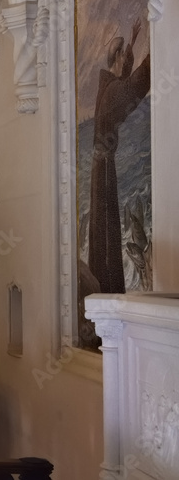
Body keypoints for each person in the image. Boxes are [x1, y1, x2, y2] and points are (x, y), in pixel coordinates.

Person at [88, 20, 151, 294]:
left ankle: (105, 285)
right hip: (103, 171)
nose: (127, 57)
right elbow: (131, 87)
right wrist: (152, 58)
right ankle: (110, 287)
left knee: (106, 227)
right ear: (118, 57)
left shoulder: (106, 86)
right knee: (107, 230)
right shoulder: (112, 92)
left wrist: (134, 41)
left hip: (100, 167)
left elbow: (122, 79)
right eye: (124, 53)